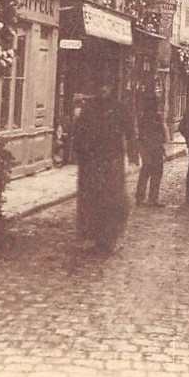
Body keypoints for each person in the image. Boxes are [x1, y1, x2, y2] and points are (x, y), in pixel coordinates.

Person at [73, 83, 136, 254]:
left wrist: (132, 156)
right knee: (92, 199)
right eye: (101, 86)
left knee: (112, 199)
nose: (103, 89)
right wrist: (80, 155)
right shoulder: (89, 109)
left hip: (112, 160)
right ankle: (93, 235)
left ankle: (109, 238)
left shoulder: (120, 108)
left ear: (111, 89)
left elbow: (130, 133)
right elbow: (78, 133)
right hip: (92, 161)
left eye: (107, 86)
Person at [134, 97, 167, 207]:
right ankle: (144, 198)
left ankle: (150, 198)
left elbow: (162, 135)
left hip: (156, 149)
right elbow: (142, 137)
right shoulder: (145, 119)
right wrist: (144, 153)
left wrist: (162, 148)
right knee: (147, 172)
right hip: (149, 149)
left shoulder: (155, 117)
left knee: (154, 173)